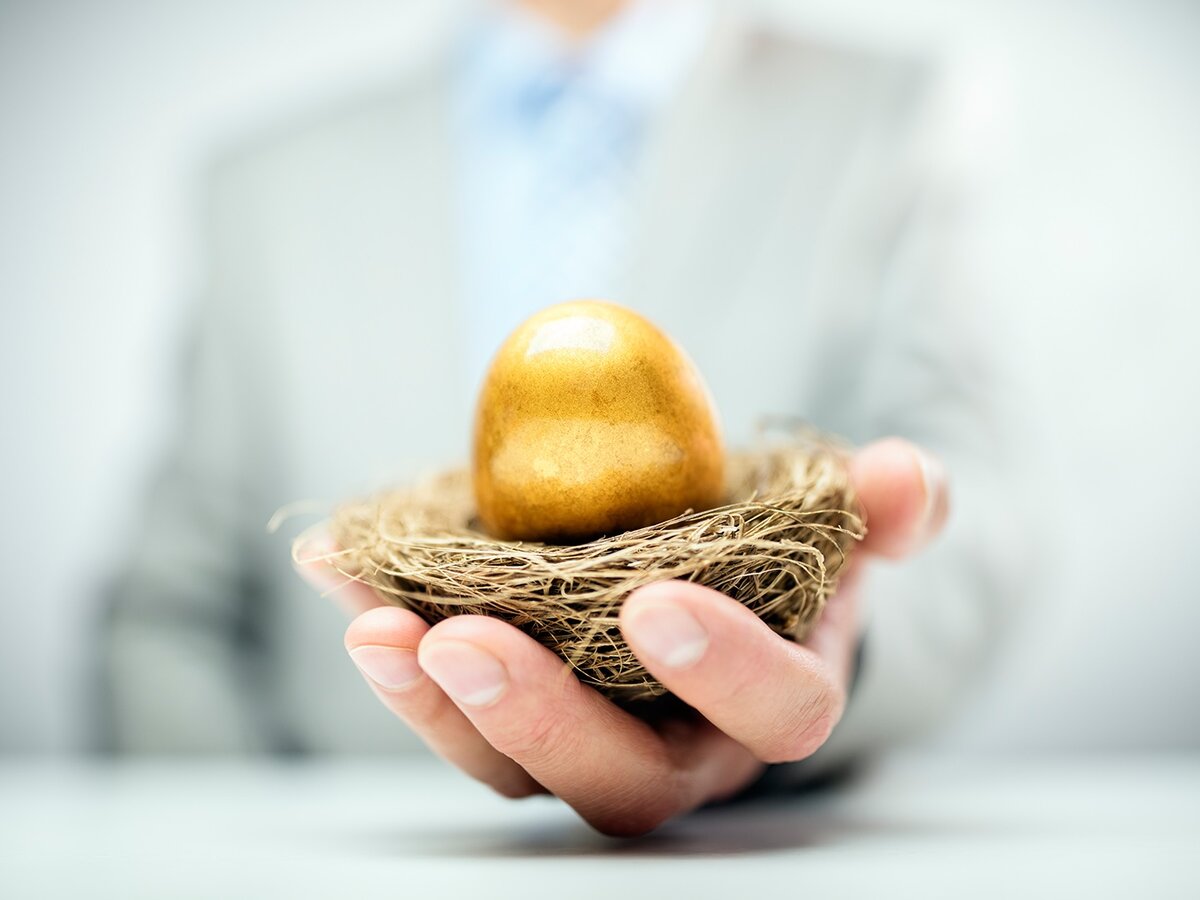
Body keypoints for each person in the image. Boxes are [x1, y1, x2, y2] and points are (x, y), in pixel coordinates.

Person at [99, 0, 1018, 835]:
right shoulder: (265, 181)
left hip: (753, 855)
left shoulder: (887, 110)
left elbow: (981, 512)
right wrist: (242, 859)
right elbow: (169, 613)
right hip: (370, 853)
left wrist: (826, 640)